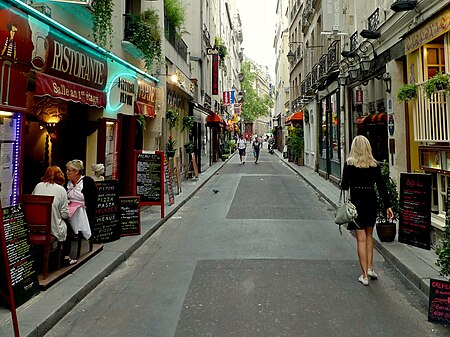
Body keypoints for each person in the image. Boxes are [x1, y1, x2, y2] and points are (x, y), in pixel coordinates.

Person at [340, 136, 394, 286]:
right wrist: (388, 205)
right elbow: (382, 187)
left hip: (356, 204)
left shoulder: (349, 164)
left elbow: (344, 186)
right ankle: (370, 268)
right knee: (370, 235)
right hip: (371, 202)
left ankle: (364, 276)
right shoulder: (373, 165)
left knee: (361, 239)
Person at [32, 166, 76, 265]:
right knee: (68, 226)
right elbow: (64, 214)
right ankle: (66, 257)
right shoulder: (61, 190)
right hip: (51, 227)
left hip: (35, 227)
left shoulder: (38, 186)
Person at [66, 159, 98, 242]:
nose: (66, 172)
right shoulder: (67, 183)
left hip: (84, 212)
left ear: (76, 171)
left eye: (69, 170)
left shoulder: (87, 182)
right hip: (68, 209)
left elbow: (93, 201)